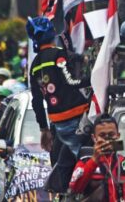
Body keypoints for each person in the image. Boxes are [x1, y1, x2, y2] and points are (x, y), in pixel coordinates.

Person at [27, 16, 91, 193]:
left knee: (70, 159)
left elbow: (37, 101)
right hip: (77, 118)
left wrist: (43, 129)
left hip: (57, 123)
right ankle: (67, 190)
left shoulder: (34, 65)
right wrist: (94, 78)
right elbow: (71, 81)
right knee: (87, 161)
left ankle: (63, 190)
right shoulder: (58, 55)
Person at [69, 114, 125, 201]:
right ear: (94, 138)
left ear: (118, 136)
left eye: (111, 134)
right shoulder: (84, 162)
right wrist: (94, 160)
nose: (107, 139)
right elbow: (75, 188)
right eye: (102, 135)